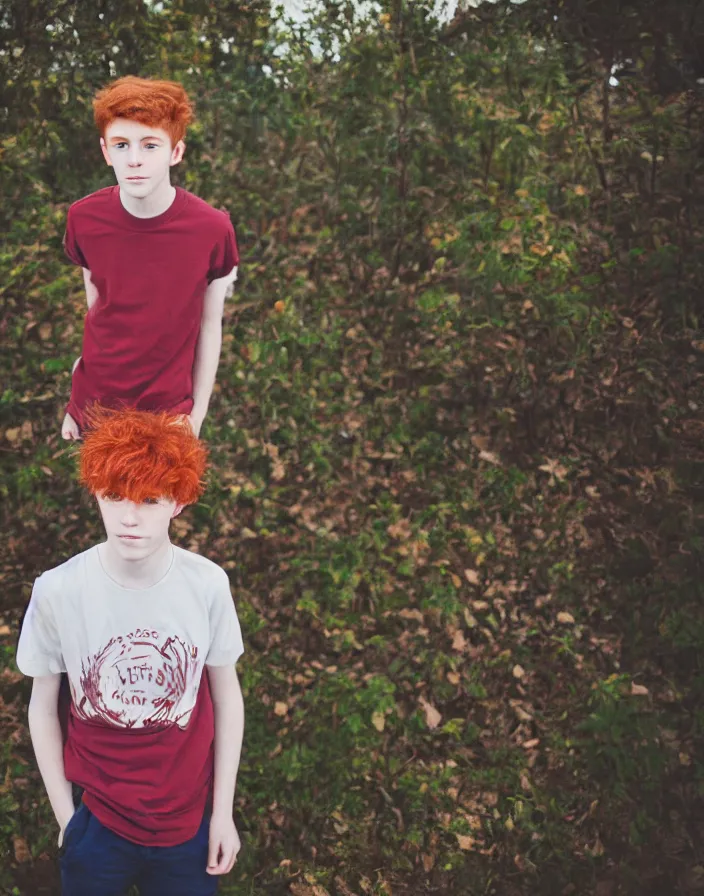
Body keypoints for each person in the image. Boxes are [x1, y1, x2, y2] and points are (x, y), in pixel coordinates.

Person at [16, 409, 245, 895]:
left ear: (178, 502)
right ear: (96, 491)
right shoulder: (59, 590)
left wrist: (221, 813)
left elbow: (227, 697)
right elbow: (42, 704)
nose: (129, 517)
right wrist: (67, 819)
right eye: (115, 495)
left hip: (187, 823)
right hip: (96, 820)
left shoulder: (206, 585)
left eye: (150, 499)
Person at [61, 76, 239, 441]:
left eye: (150, 145)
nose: (135, 160)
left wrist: (197, 415)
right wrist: (78, 403)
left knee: (161, 499)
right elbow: (97, 311)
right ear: (106, 152)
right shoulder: (84, 218)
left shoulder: (212, 229)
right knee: (108, 499)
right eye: (122, 145)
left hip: (169, 412)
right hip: (97, 408)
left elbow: (209, 327)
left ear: (175, 152)